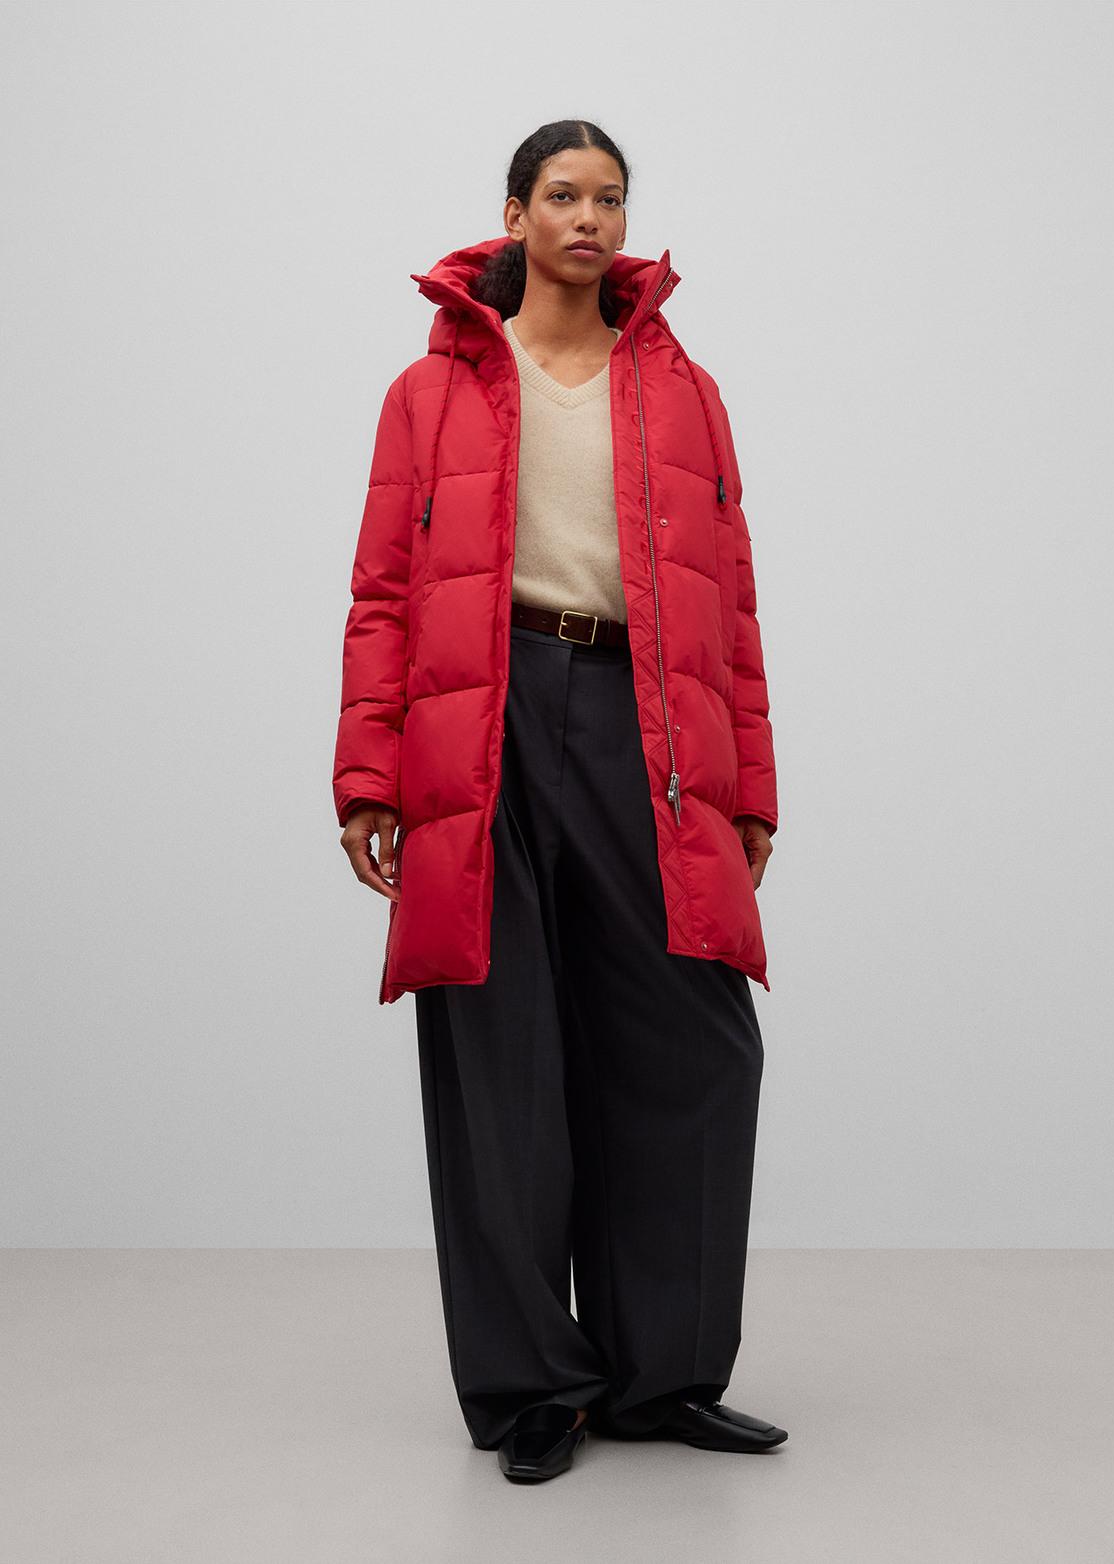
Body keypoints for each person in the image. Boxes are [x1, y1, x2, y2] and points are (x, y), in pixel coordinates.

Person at [334, 120, 786, 1483]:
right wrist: (368, 774)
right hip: (486, 714)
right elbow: (383, 592)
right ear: (517, 213)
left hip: (650, 724)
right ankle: (534, 1386)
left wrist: (751, 790)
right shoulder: (432, 393)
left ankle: (665, 1374)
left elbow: (730, 601)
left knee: (694, 1040)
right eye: (564, 196)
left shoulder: (685, 391)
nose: (590, 218)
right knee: (502, 1054)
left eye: (611, 198)